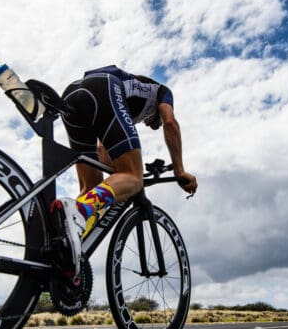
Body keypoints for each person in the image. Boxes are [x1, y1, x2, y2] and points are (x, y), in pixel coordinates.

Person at [53, 65, 197, 280]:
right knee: (133, 178)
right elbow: (170, 123)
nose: (150, 124)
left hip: (73, 93)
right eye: (150, 122)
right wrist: (179, 170)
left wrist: (117, 177)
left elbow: (103, 149)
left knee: (91, 189)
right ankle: (80, 211)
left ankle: (62, 243)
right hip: (104, 87)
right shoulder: (162, 92)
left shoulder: (129, 103)